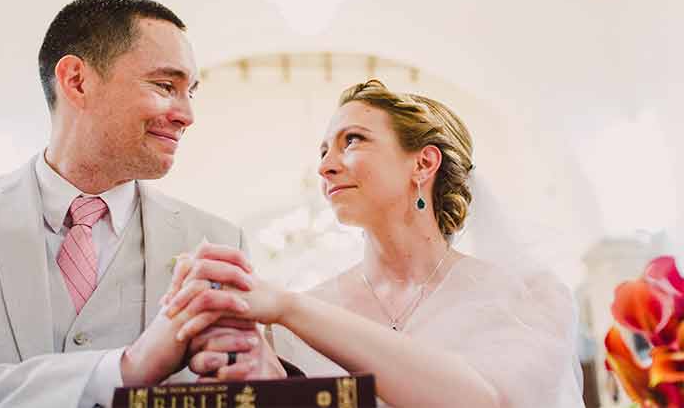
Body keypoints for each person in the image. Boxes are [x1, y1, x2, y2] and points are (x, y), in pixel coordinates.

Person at [0, 0, 284, 408]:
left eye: (190, 92)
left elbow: (251, 391)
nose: (187, 114)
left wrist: (264, 380)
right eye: (166, 86)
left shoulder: (217, 241)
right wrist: (121, 370)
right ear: (77, 80)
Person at [163, 80, 585, 407]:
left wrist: (288, 306)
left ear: (423, 162)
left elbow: (483, 399)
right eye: (324, 150)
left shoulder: (528, 299)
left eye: (353, 140)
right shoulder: (288, 328)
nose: (326, 167)